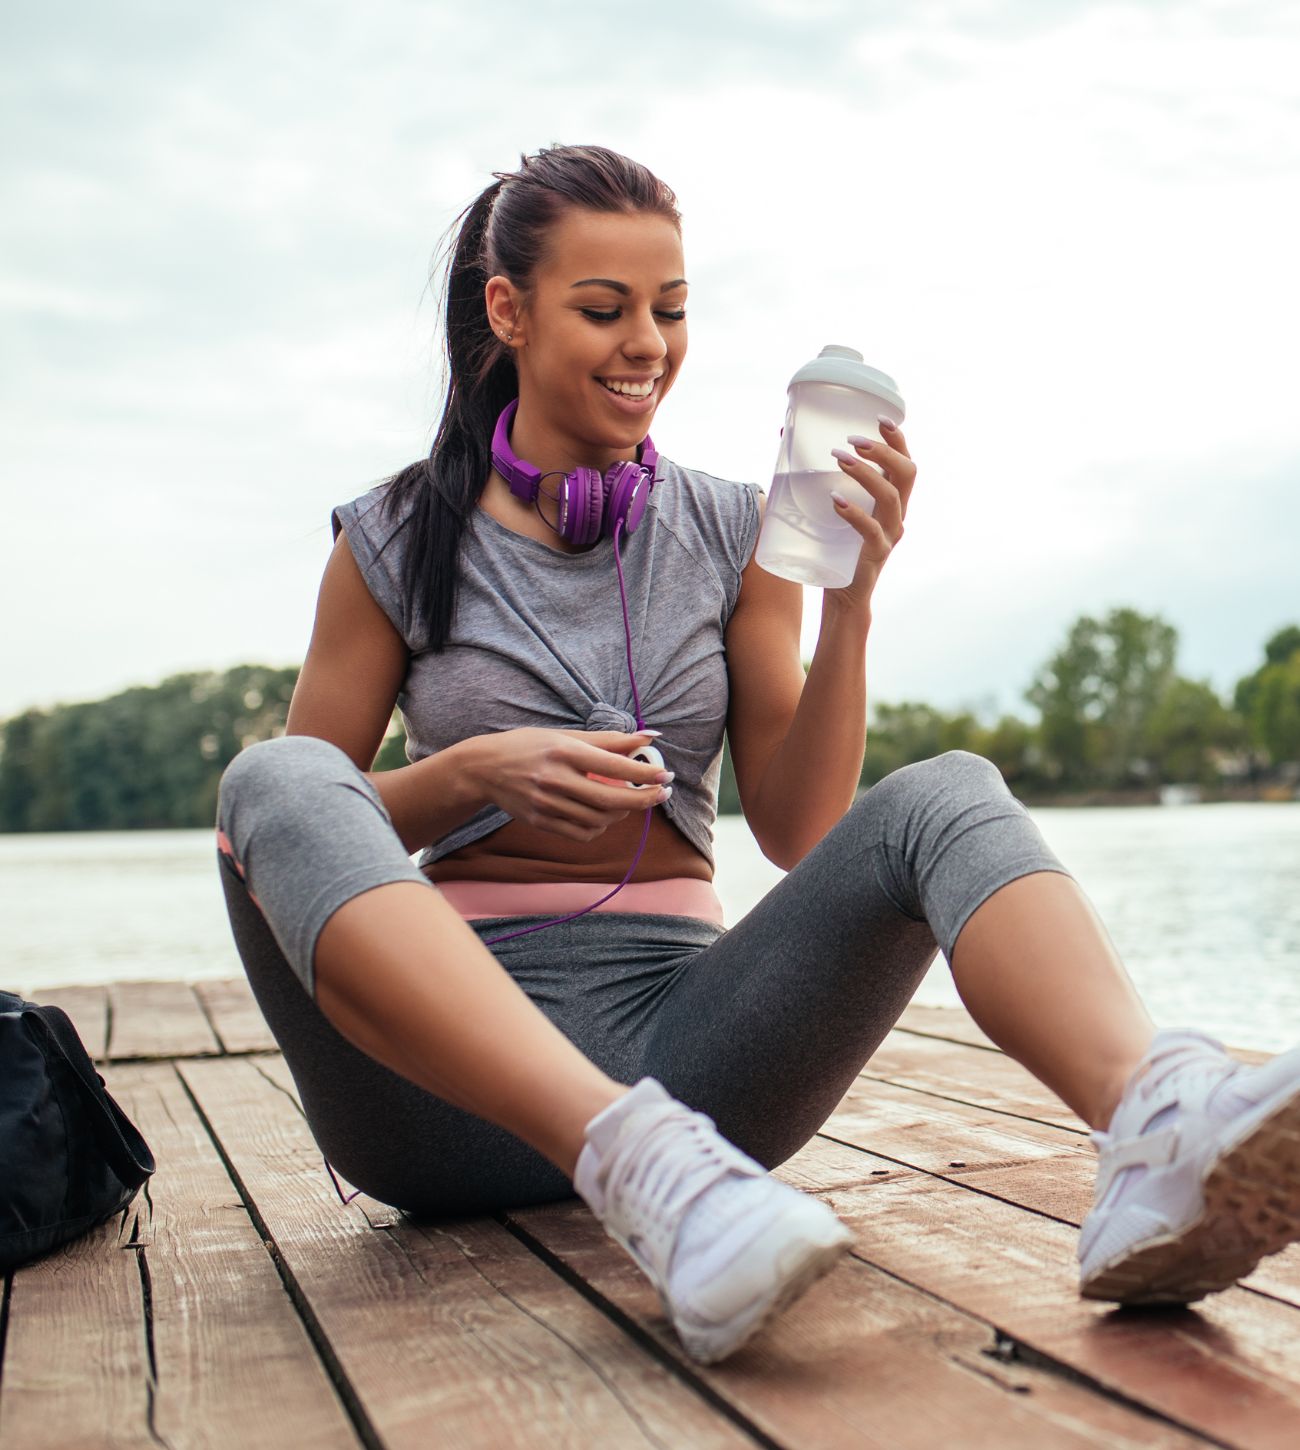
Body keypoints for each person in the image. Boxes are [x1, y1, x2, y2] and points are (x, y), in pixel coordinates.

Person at [215, 143, 1300, 1366]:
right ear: (507, 311)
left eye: (671, 311)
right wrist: (470, 778)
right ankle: (631, 1162)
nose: (648, 346)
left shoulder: (737, 534)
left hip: (697, 1057)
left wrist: (851, 600)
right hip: (436, 1094)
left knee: (946, 792)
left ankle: (1155, 1121)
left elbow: (794, 827)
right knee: (268, 777)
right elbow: (296, 840)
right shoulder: (393, 537)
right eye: (604, 308)